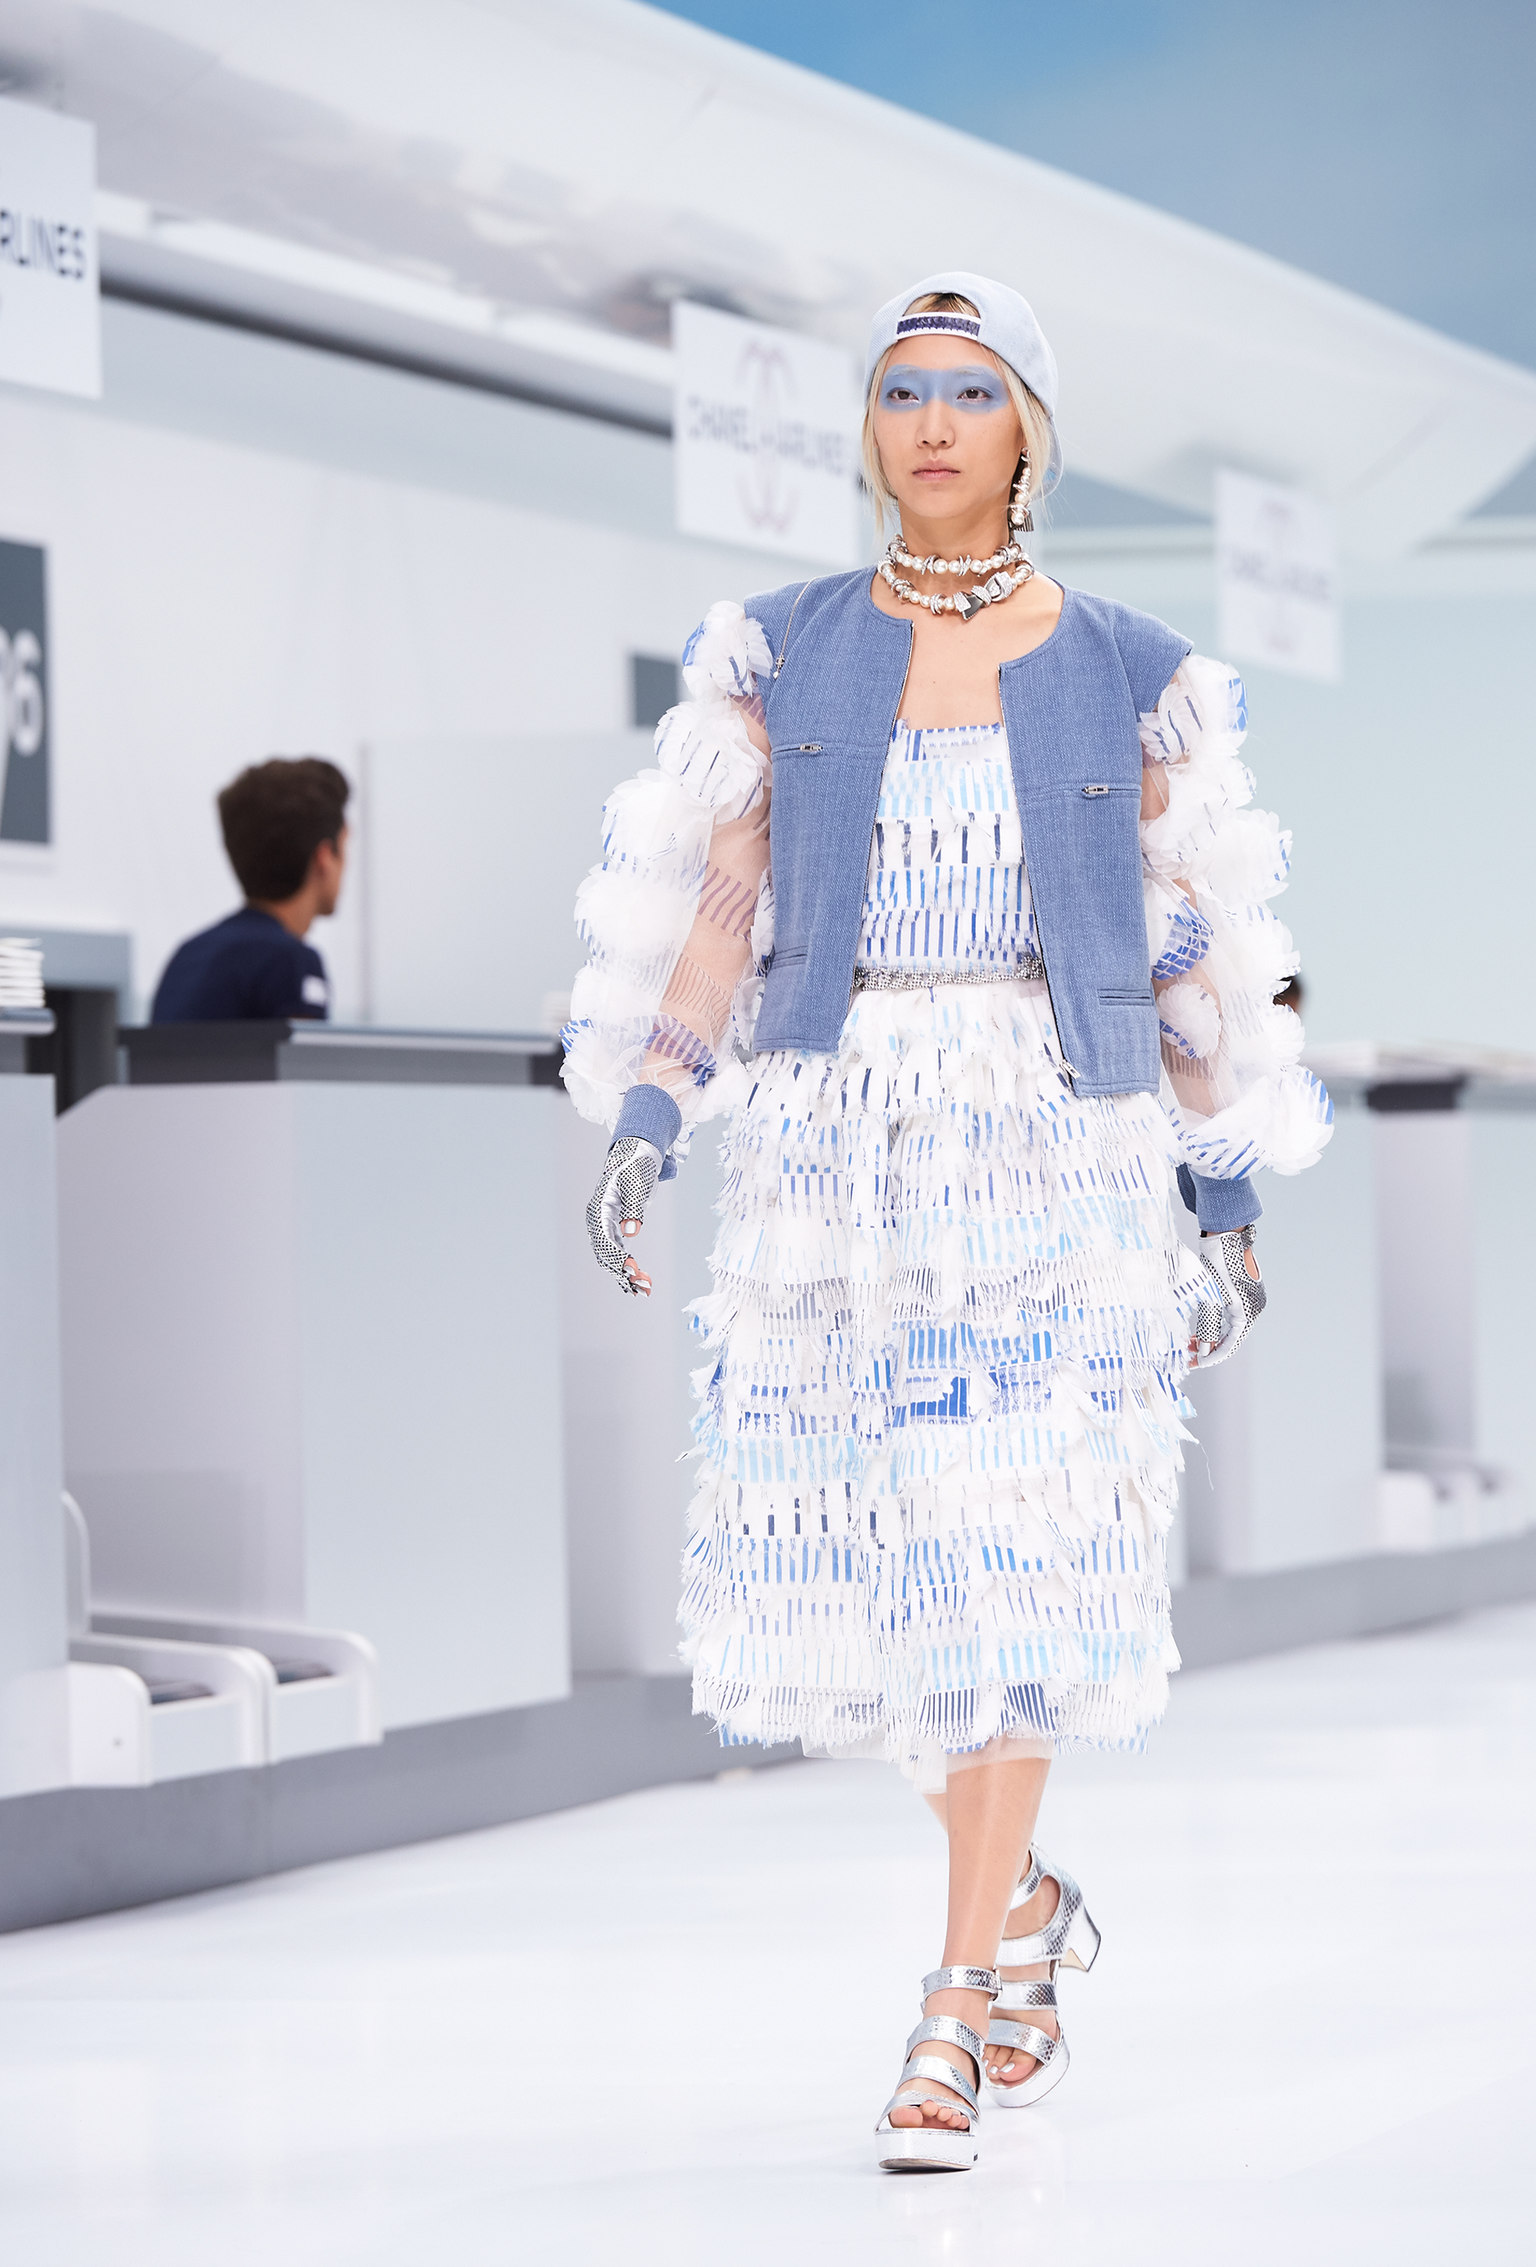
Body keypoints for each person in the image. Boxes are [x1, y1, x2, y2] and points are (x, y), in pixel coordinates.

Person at [564, 274, 1331, 2173]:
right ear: (866, 427)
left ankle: (952, 2006)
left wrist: (1224, 1198)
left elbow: (1186, 951)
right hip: (831, 1159)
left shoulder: (1129, 668)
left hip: (1051, 1152)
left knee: (1006, 1571)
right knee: (859, 1583)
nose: (929, 421)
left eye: (968, 392)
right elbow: (723, 920)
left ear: (1027, 434)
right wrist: (650, 1118)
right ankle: (1030, 1900)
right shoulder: (785, 650)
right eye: (901, 389)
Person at [152, 757, 349, 1023]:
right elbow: (303, 1051)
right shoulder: (291, 961)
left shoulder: (187, 957)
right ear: (324, 858)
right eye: (345, 846)